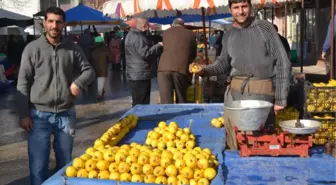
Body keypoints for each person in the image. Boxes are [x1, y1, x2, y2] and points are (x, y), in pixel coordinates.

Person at [190, 0, 291, 150]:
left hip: (261, 96)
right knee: (234, 144)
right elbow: (223, 63)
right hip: (234, 97)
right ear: (230, 10)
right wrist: (203, 70)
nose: (241, 11)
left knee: (258, 146)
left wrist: (281, 99)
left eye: (244, 6)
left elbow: (283, 62)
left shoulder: (265, 28)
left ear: (250, 7)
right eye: (236, 7)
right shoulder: (229, 34)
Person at [16, 7, 95, 185]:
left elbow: (89, 71)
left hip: (65, 115)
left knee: (65, 163)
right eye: (50, 21)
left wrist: (77, 83)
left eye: (58, 22)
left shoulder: (72, 48)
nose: (54, 26)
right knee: (38, 166)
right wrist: (23, 114)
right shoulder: (32, 49)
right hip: (38, 116)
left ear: (64, 24)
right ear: (44, 23)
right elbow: (22, 83)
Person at [125, 17, 163, 107]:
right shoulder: (138, 36)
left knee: (138, 101)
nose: (149, 28)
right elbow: (146, 53)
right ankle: (139, 118)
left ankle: (136, 117)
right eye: (148, 26)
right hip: (141, 73)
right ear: (143, 26)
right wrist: (159, 45)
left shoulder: (131, 34)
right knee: (142, 102)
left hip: (135, 72)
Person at [157, 18, 197, 103]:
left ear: (173, 24)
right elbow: (193, 53)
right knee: (181, 98)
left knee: (166, 100)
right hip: (181, 69)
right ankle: (181, 115)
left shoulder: (165, 33)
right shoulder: (190, 34)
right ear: (183, 25)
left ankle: (168, 115)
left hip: (163, 68)